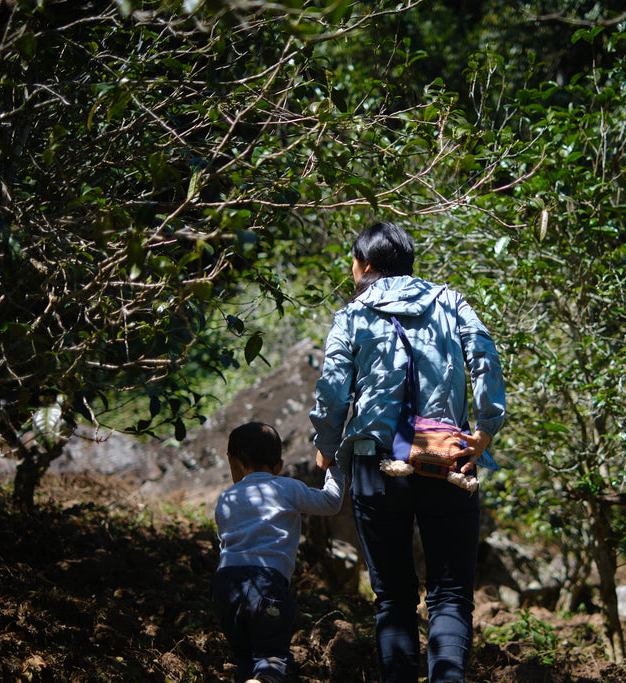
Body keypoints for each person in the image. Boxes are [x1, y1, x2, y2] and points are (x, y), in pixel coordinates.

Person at [310, 221, 506, 683]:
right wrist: (486, 428)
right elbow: (486, 358)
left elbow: (333, 391)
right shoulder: (450, 301)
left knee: (393, 596)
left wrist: (324, 446)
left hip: (374, 463)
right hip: (448, 459)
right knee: (451, 593)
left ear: (366, 266)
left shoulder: (352, 315)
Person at [211, 422, 345, 683]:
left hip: (225, 584)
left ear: (233, 462)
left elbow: (224, 543)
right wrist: (334, 468)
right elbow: (331, 503)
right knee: (270, 658)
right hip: (266, 583)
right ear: (279, 466)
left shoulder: (226, 497)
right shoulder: (288, 487)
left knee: (244, 657)